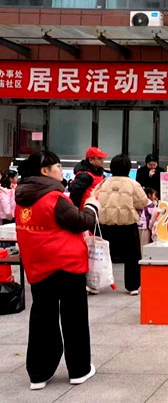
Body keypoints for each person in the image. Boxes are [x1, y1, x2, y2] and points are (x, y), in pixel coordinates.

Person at [15, 151, 99, 390]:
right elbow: (81, 221)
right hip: (66, 264)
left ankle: (39, 374)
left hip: (38, 266)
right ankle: (79, 370)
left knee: (42, 318)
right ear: (45, 171)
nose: (61, 170)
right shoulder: (54, 198)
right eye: (58, 166)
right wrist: (92, 207)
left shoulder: (21, 199)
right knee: (74, 317)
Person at [94, 154, 149, 295]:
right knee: (132, 256)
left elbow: (96, 199)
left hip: (105, 224)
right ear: (128, 168)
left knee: (101, 255)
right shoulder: (133, 184)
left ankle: (94, 284)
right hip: (127, 224)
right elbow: (143, 202)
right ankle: (132, 286)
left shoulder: (103, 183)